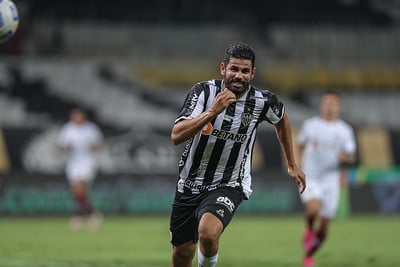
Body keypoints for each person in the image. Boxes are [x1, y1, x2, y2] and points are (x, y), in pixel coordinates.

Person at [169, 42, 306, 267]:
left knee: (208, 232)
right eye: (234, 69)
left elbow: (281, 119)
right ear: (223, 69)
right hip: (189, 184)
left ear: (252, 73)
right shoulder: (203, 92)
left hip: (229, 183)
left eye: (244, 71)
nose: (238, 76)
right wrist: (213, 111)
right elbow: (176, 135)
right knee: (182, 255)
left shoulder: (263, 101)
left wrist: (292, 164)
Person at [296, 90, 357, 267]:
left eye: (333, 103)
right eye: (326, 103)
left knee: (323, 229)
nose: (329, 106)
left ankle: (308, 254)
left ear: (338, 107)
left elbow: (351, 157)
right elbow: (299, 146)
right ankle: (308, 228)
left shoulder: (344, 130)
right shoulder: (311, 125)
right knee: (314, 207)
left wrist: (342, 157)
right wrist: (296, 165)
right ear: (322, 105)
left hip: (331, 179)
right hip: (311, 176)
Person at [57, 107, 104, 231]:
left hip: (87, 161)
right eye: (74, 116)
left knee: (80, 187)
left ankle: (77, 216)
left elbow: (100, 144)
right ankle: (91, 213)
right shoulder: (68, 128)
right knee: (76, 191)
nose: (76, 118)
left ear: (83, 117)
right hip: (73, 162)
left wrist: (93, 147)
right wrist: (66, 147)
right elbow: (61, 146)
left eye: (79, 116)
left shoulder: (91, 128)